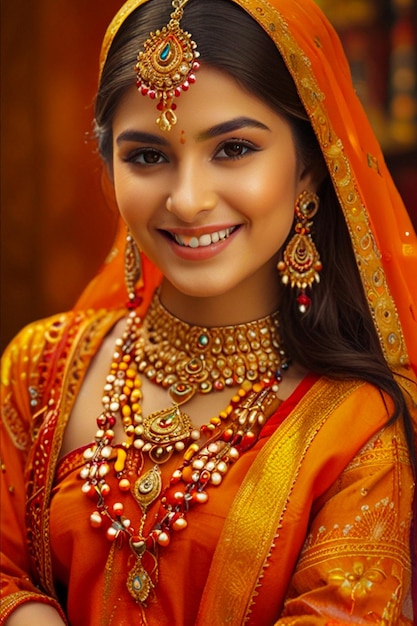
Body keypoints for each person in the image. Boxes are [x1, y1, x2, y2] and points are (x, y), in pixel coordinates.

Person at [1, 0, 417, 623]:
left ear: (308, 166)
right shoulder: (40, 368)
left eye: (233, 149)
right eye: (146, 156)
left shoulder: (358, 425)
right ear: (110, 166)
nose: (188, 199)